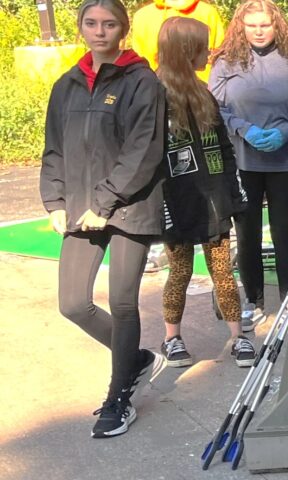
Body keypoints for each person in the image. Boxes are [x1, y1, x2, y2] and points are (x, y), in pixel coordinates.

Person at [42, 0, 167, 438]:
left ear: (123, 29)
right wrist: (55, 202)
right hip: (80, 208)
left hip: (130, 208)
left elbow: (144, 149)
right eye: (91, 23)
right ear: (80, 28)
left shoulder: (142, 81)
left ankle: (119, 397)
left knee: (123, 302)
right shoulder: (67, 84)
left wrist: (106, 201)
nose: (100, 31)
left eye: (109, 23)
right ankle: (133, 358)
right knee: (73, 303)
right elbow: (54, 148)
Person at [154, 17, 254, 369]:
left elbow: (224, 148)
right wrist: (158, 205)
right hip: (176, 202)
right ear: (185, 50)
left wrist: (233, 193)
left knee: (223, 271)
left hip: (214, 200)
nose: (209, 52)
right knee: (179, 271)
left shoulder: (204, 93)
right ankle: (171, 338)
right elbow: (147, 157)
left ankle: (238, 336)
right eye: (203, 46)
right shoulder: (153, 96)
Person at [210, 0, 288, 323]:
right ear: (241, 26)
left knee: (284, 232)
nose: (258, 30)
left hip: (286, 161)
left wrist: (284, 133)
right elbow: (214, 109)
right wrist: (243, 129)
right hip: (244, 161)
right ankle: (253, 300)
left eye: (264, 24)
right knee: (248, 232)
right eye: (252, 24)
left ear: (276, 25)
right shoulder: (226, 62)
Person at [129, 0, 225, 81]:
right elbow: (139, 61)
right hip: (154, 90)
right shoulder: (142, 16)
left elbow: (217, 57)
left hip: (198, 93)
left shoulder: (208, 13)